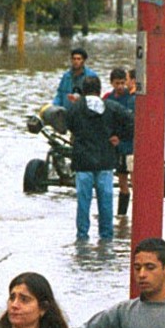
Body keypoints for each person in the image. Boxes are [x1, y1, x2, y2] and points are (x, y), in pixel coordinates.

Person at [64, 74, 133, 241]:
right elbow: (132, 120)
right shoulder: (111, 107)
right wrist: (120, 136)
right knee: (106, 202)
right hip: (105, 161)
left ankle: (82, 237)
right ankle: (106, 237)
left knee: (83, 202)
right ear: (99, 90)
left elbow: (67, 125)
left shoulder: (75, 108)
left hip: (83, 162)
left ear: (83, 90)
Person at [103, 67, 137, 217]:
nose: (120, 86)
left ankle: (138, 212)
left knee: (134, 179)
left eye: (123, 82)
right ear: (111, 83)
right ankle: (121, 215)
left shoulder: (130, 98)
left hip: (128, 144)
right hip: (113, 145)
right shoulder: (107, 99)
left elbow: (132, 122)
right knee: (122, 181)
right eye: (117, 83)